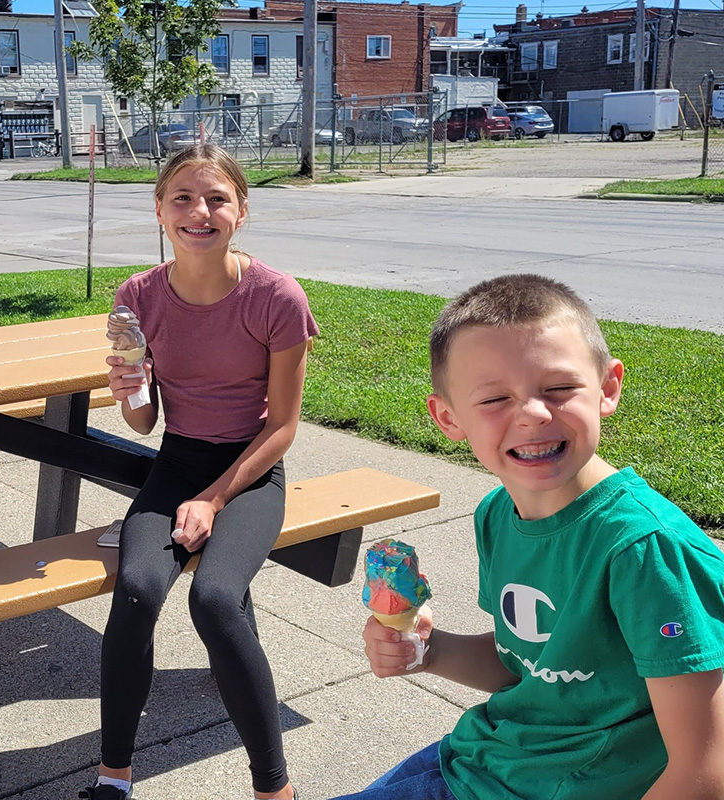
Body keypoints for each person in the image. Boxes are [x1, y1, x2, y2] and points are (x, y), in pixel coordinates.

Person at [340, 274, 724, 800]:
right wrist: (429, 650)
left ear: (608, 388)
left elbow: (706, 769)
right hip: (483, 757)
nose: (533, 414)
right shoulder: (498, 514)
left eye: (560, 388)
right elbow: (529, 668)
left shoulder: (646, 550)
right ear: (449, 417)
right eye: (495, 398)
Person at [82, 145, 318, 800]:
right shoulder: (136, 296)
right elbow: (143, 422)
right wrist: (129, 390)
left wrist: (213, 500)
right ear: (160, 211)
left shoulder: (277, 298)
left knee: (214, 598)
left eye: (216, 198)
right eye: (182, 198)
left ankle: (275, 788)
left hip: (250, 471)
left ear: (241, 211)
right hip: (178, 461)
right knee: (135, 592)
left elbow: (282, 430)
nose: (199, 211)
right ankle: (114, 777)